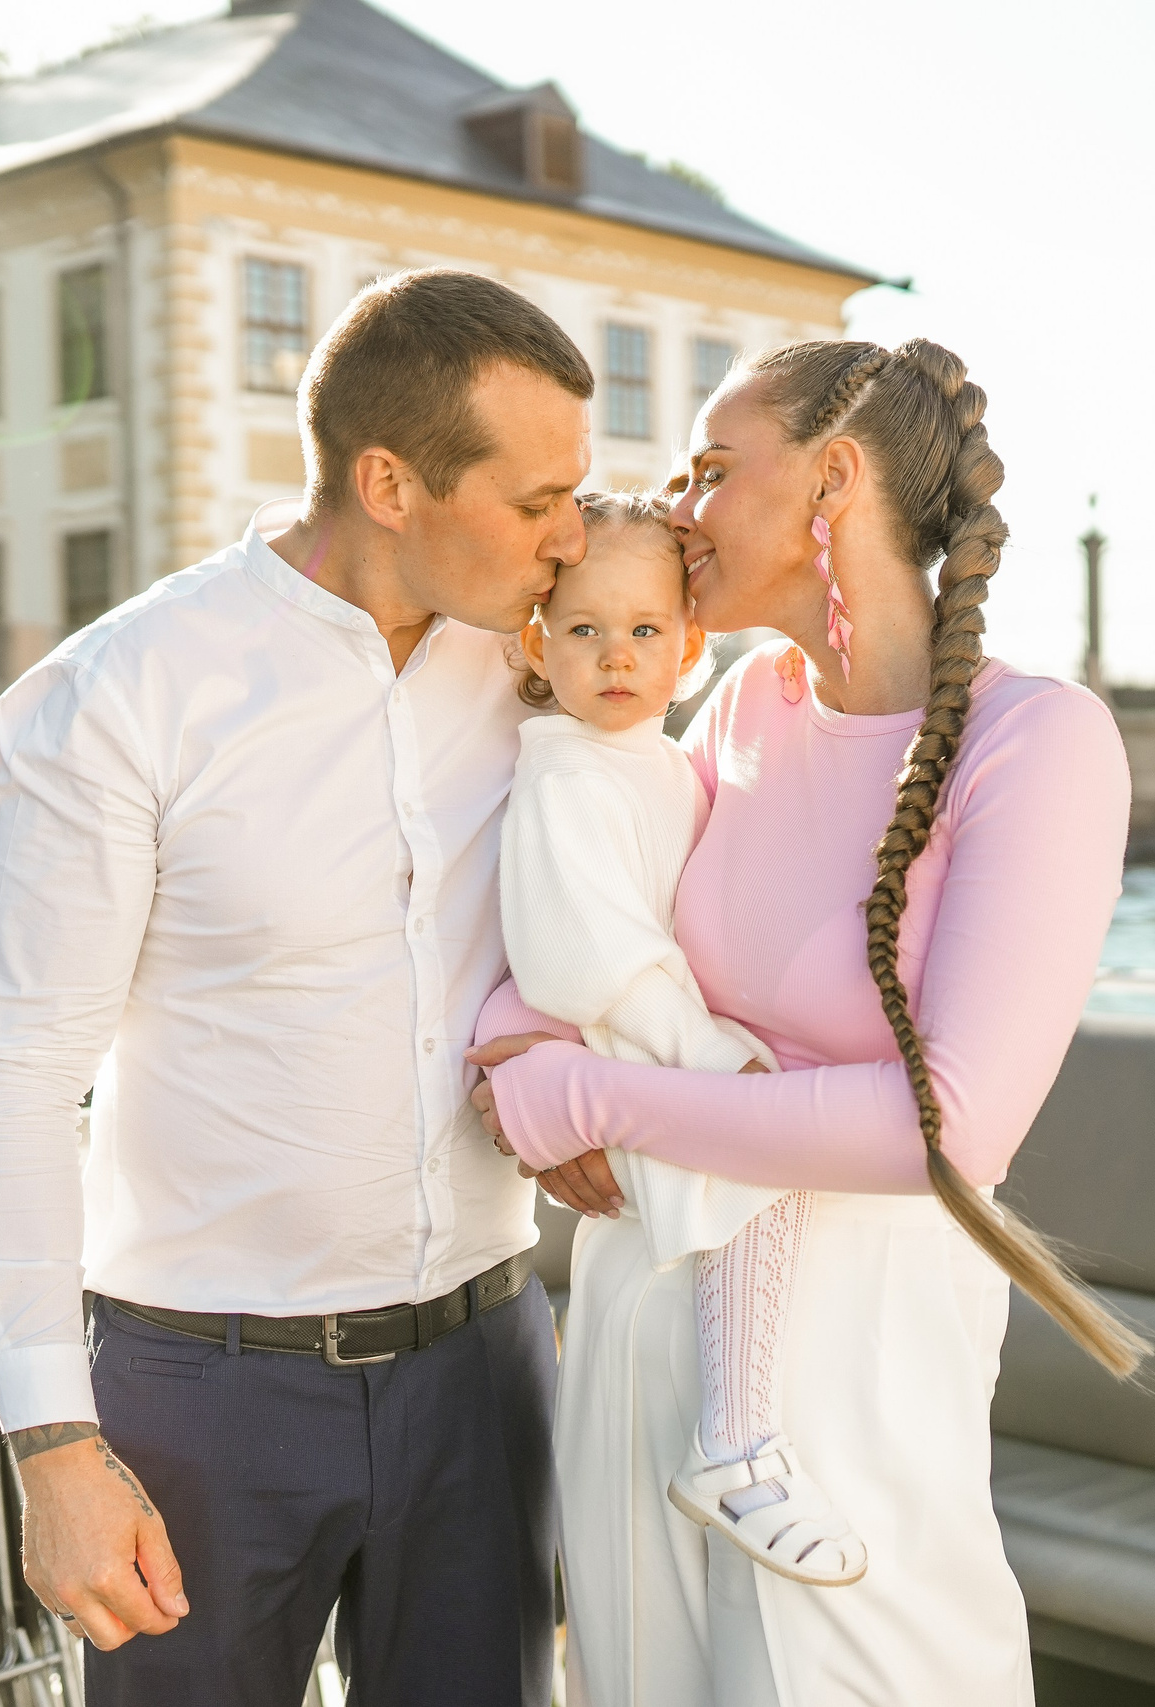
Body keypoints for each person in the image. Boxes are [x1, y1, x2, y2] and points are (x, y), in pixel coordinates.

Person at [0, 268, 592, 1707]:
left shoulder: (548, 661)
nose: (573, 536)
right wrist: (53, 1443)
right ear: (390, 481)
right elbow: (15, 1076)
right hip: (203, 1396)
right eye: (540, 498)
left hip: (489, 1365)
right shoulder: (116, 696)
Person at [470, 337, 1147, 1705]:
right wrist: (510, 1043)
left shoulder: (1039, 741)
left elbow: (940, 1126)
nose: (676, 509)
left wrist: (592, 1100)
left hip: (853, 1382)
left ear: (833, 478)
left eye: (715, 471)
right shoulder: (744, 708)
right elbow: (598, 909)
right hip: (637, 1307)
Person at [497, 492, 868, 1596]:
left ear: (691, 648)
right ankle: (735, 1443)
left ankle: (739, 1431)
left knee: (765, 1204)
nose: (617, 656)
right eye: (585, 630)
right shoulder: (563, 773)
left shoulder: (660, 761)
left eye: (645, 631)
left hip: (674, 1046)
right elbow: (589, 951)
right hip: (638, 1053)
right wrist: (703, 1054)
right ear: (539, 642)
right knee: (761, 1182)